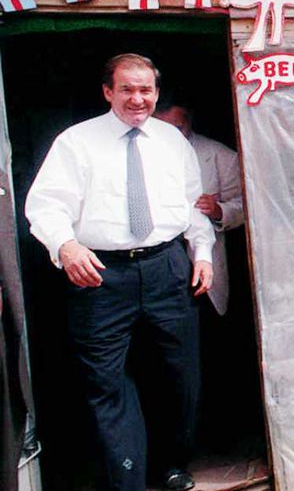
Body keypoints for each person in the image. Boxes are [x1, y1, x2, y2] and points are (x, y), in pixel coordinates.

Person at [25, 53, 214, 491]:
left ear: (156, 92)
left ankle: (171, 465)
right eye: (126, 89)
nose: (137, 98)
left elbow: (192, 206)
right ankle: (125, 478)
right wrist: (65, 244)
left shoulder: (172, 141)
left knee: (179, 374)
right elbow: (45, 205)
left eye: (145, 89)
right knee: (106, 380)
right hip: (101, 273)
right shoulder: (76, 142)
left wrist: (202, 253)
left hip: (169, 267)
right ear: (107, 91)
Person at [154, 97, 244, 316]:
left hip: (202, 259)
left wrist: (218, 210)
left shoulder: (218, 154)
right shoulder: (139, 154)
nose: (172, 136)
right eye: (163, 129)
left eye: (178, 128)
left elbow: (246, 205)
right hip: (157, 260)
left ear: (190, 122)